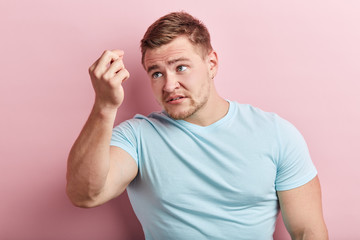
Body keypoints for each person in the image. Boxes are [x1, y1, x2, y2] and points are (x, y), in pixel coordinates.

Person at [66, 11, 328, 240]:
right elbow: (85, 195)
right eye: (156, 73)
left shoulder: (276, 134)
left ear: (211, 64)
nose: (168, 85)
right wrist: (104, 105)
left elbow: (308, 232)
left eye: (181, 67)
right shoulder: (136, 137)